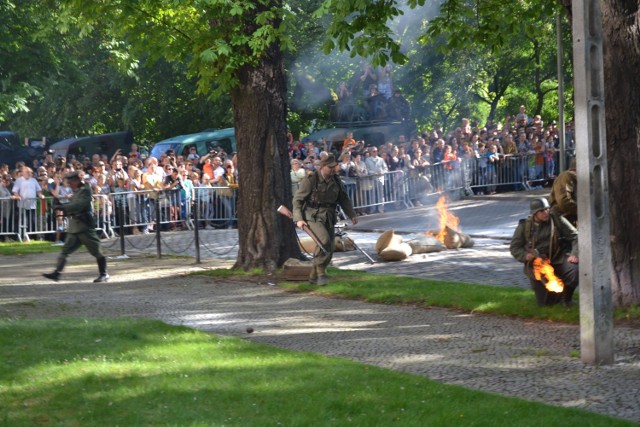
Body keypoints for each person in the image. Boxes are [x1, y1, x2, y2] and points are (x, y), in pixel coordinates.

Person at [292, 154, 358, 286]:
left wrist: (352, 214)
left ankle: (313, 273)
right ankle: (321, 272)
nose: (333, 170)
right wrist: (298, 219)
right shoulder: (311, 180)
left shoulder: (336, 180)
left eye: (334, 167)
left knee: (331, 246)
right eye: (330, 167)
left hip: (328, 216)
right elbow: (298, 200)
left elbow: (343, 198)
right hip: (312, 216)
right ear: (322, 167)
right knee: (324, 241)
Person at [510, 198, 579, 306]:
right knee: (545, 303)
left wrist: (574, 254)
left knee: (574, 270)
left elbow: (575, 237)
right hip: (538, 264)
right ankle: (555, 297)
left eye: (547, 209)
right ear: (534, 213)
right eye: (541, 211)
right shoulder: (524, 226)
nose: (545, 213)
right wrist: (525, 256)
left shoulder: (556, 219)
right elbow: (514, 247)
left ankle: (566, 299)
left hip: (558, 258)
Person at [42, 171, 109, 283]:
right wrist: (61, 207)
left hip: (84, 227)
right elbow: (73, 205)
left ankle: (104, 273)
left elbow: (79, 205)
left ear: (77, 180)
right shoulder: (77, 191)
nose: (69, 184)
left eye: (71, 182)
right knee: (65, 250)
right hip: (74, 227)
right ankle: (57, 273)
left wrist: (63, 207)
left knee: (96, 251)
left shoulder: (86, 191)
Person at [548, 158, 577, 226]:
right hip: (563, 218)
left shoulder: (571, 177)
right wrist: (581, 210)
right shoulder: (567, 176)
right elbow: (564, 201)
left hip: (569, 217)